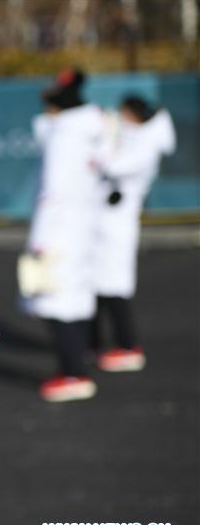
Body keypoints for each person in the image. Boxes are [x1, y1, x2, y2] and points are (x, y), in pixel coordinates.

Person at [21, 68, 106, 403]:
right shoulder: (93, 129)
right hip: (82, 228)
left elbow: (53, 192)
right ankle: (79, 362)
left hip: (58, 231)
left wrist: (40, 239)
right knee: (76, 298)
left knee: (54, 302)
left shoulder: (64, 135)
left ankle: (73, 373)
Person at [91, 95, 176, 372]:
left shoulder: (145, 146)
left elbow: (113, 165)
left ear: (136, 116)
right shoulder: (133, 140)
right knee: (98, 286)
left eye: (124, 114)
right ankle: (95, 342)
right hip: (107, 224)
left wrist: (106, 136)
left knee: (116, 287)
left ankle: (128, 346)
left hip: (119, 226)